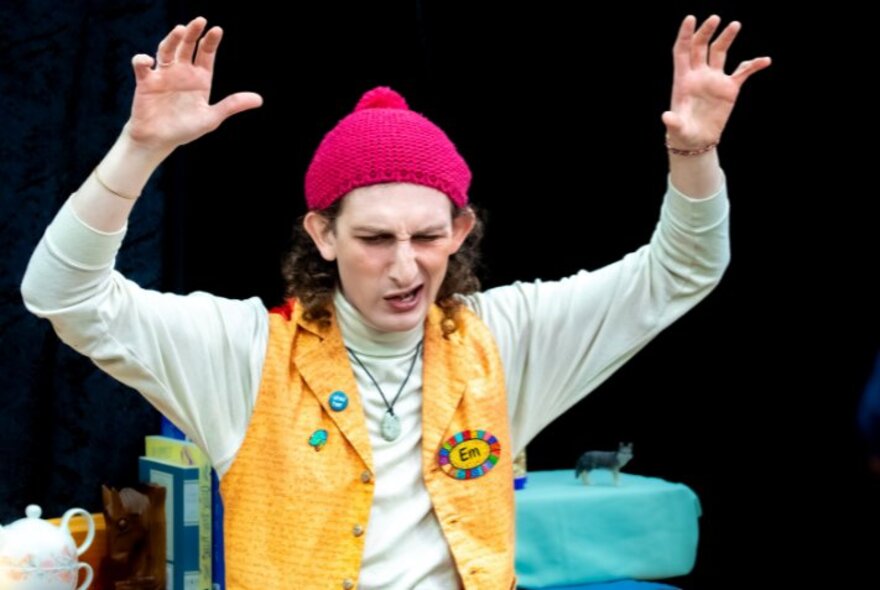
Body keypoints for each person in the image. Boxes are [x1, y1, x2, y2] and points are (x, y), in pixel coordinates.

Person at [20, 14, 770, 590]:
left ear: (461, 230)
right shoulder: (241, 351)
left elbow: (683, 270)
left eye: (427, 236)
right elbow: (60, 291)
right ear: (323, 234)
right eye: (376, 238)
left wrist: (694, 155)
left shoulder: (503, 338)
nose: (406, 266)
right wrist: (140, 149)